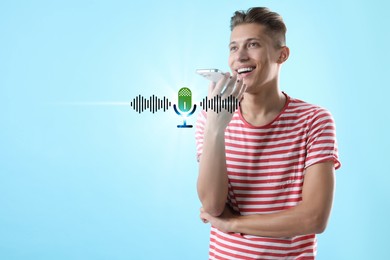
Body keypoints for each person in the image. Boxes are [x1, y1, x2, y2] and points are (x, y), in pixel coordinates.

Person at [195, 7, 341, 260]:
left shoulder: (314, 120)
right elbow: (213, 206)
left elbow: (314, 218)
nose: (239, 57)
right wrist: (216, 128)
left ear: (281, 54)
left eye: (253, 45)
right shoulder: (210, 116)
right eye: (233, 47)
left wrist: (233, 224)